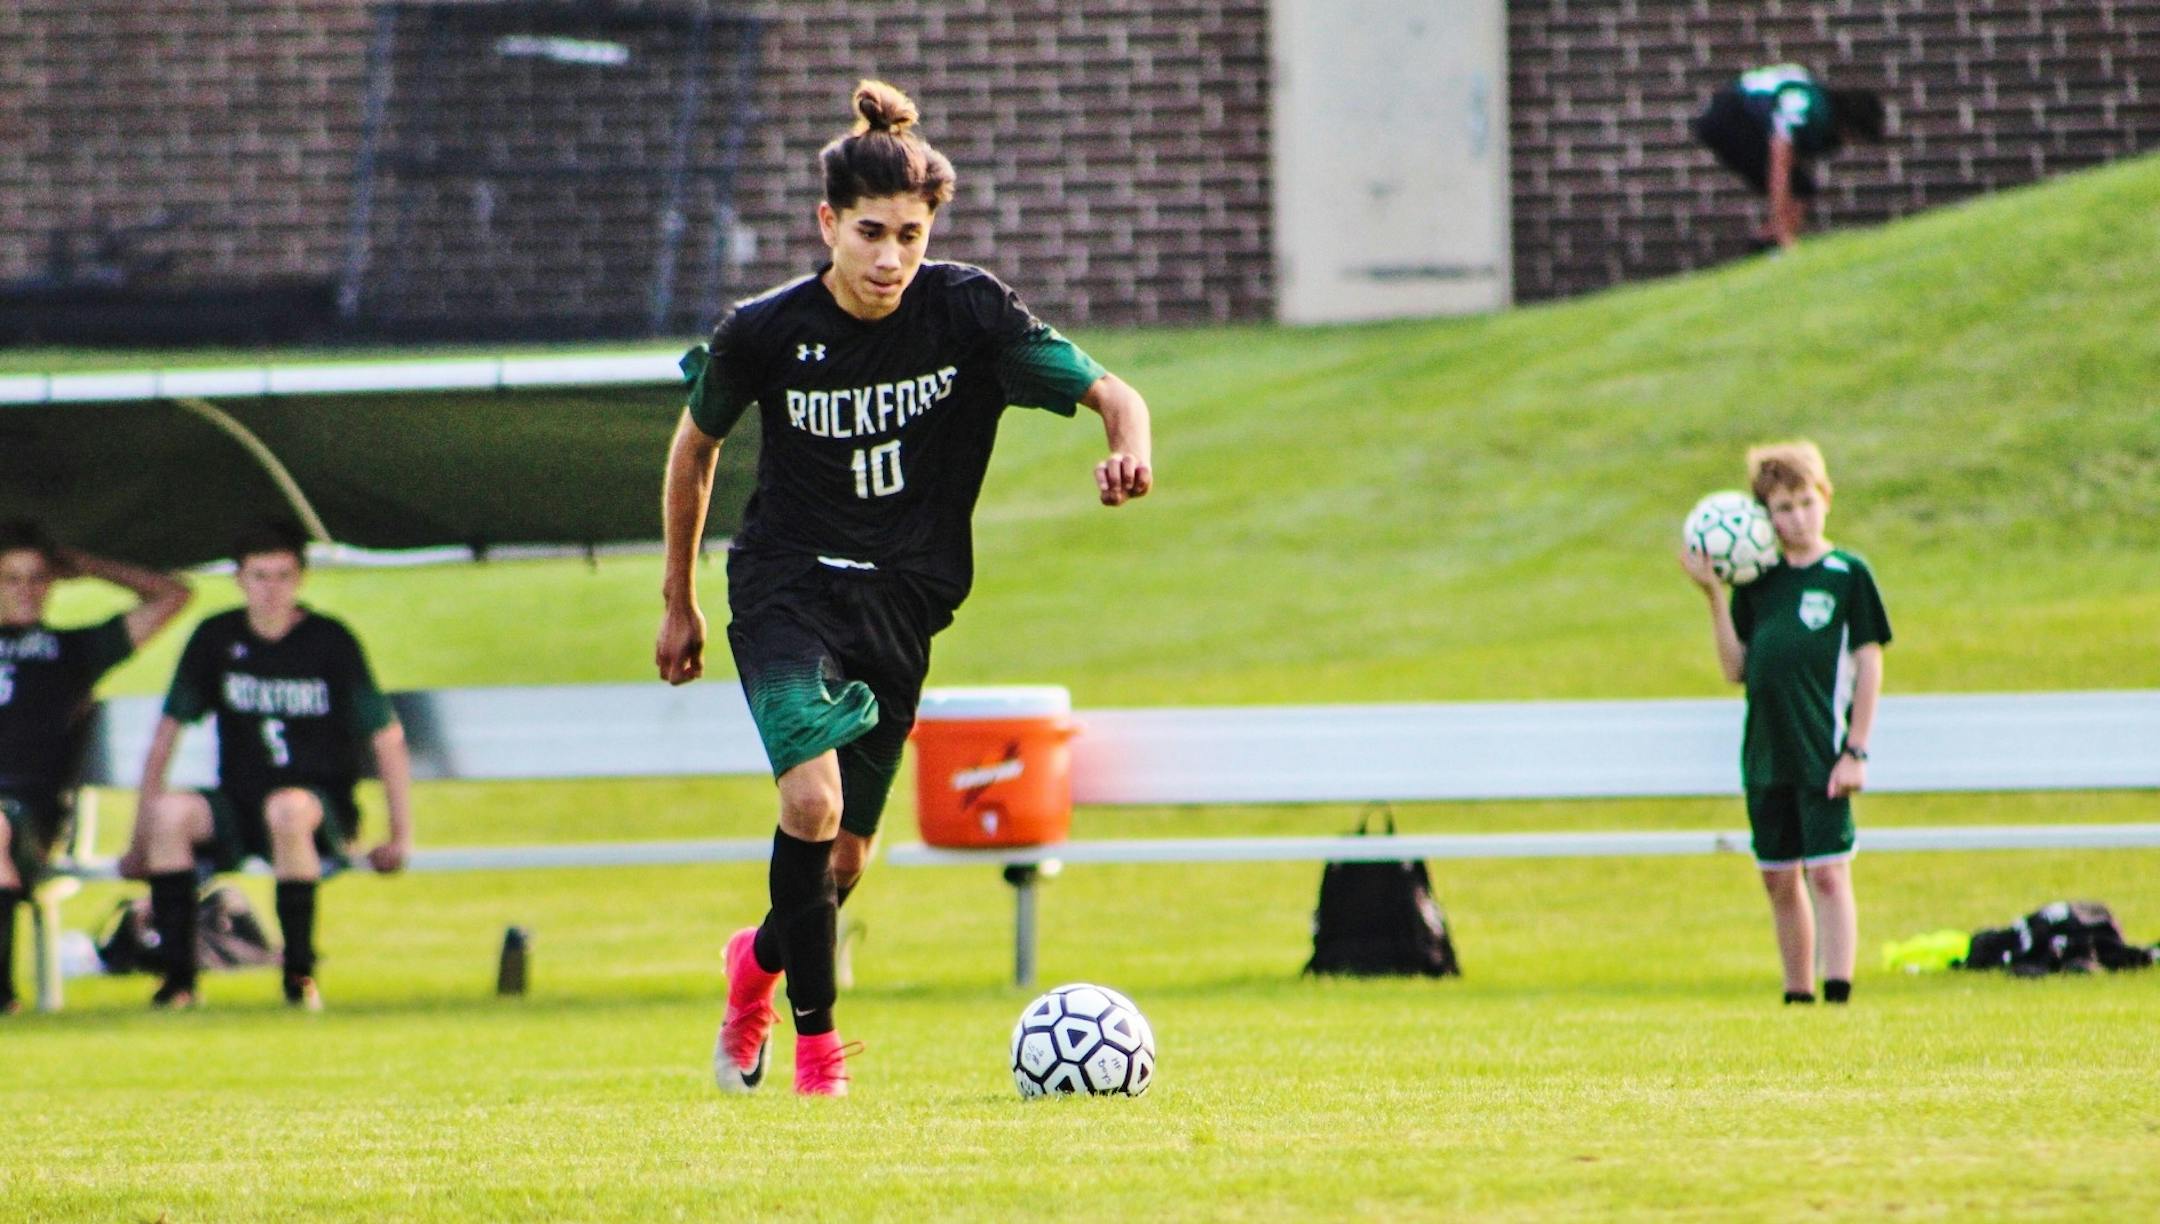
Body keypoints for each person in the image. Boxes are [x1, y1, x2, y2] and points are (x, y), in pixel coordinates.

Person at [656, 80, 1154, 1096]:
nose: (891, 258)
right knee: (809, 801)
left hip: (901, 607)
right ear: (827, 224)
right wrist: (679, 597)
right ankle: (818, 1056)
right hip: (787, 587)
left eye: (911, 236)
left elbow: (1111, 391)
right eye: (871, 232)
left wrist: (1129, 447)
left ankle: (752, 965)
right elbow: (694, 448)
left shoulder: (967, 311)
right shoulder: (764, 331)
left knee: (838, 866)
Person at [119, 522, 414, 1010]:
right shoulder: (218, 638)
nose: (271, 589)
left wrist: (399, 835)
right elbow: (165, 735)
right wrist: (138, 839)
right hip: (240, 799)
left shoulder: (329, 641)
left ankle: (298, 973)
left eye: (283, 576)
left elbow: (386, 737)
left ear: (300, 579)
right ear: (239, 579)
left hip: (318, 806)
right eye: (259, 576)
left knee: (287, 810)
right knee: (172, 814)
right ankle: (178, 979)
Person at [1680, 441, 1890, 1005]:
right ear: (1764, 517)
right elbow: (1736, 668)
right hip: (1766, 754)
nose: (1796, 518)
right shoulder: (1758, 583)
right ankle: (1797, 993)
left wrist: (1857, 750)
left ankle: (1839, 990)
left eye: (1804, 502)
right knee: (1779, 878)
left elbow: (1869, 662)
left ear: (1824, 499)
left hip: (1822, 752)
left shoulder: (1848, 575)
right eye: (1782, 508)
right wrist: (1714, 597)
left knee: (1827, 873)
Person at [0, 521, 191, 1014]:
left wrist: (86, 565)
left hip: (31, 818)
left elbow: (173, 595)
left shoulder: (75, 651)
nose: (26, 590)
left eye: (37, 577)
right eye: (11, 578)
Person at [1691, 65, 1886, 250]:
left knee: (1801, 188)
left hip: (1738, 113)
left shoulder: (1816, 104)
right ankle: (1780, 242)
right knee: (1796, 187)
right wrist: (1785, 232)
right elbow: (1780, 162)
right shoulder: (1809, 108)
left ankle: (1767, 241)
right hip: (1728, 117)